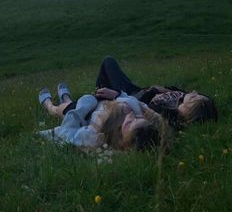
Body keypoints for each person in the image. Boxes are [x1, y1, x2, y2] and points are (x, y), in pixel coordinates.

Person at [93, 56, 218, 128]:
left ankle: (101, 95)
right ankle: (101, 93)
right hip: (137, 90)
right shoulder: (184, 96)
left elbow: (141, 107)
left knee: (108, 63)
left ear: (190, 110)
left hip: (130, 97)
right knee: (109, 62)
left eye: (195, 97)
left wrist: (118, 95)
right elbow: (206, 102)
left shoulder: (167, 114)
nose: (194, 92)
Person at [38, 82, 166, 151]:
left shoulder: (97, 135)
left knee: (60, 109)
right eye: (139, 119)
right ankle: (65, 97)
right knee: (69, 103)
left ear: (124, 139)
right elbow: (156, 118)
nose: (131, 116)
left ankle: (49, 105)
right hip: (102, 101)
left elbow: (67, 134)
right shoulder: (145, 116)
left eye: (129, 123)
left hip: (84, 111)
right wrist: (117, 95)